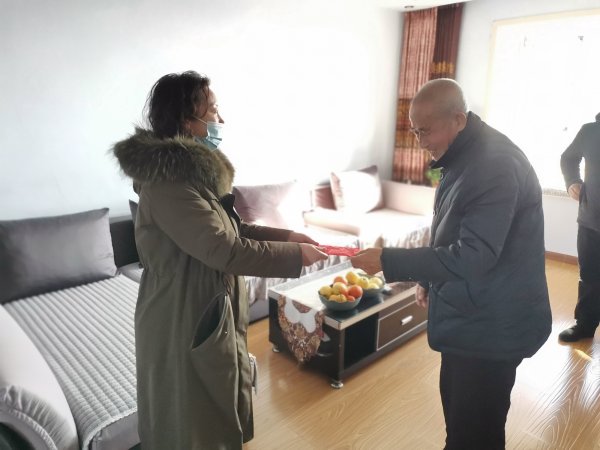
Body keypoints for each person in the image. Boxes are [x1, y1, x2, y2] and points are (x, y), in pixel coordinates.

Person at [112, 70, 327, 449]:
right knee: (189, 418)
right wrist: (295, 256)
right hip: (182, 313)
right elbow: (224, 250)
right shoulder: (169, 185)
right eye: (212, 110)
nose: (220, 119)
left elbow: (234, 230)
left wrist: (288, 236)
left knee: (215, 405)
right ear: (187, 121)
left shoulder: (192, 178)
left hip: (206, 303)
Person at [350, 79, 552, 450]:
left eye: (425, 131)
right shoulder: (461, 155)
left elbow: (474, 255)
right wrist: (427, 279)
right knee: (461, 423)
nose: (419, 141)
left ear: (458, 119)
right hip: (472, 316)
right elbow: (450, 227)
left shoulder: (494, 165)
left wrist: (388, 259)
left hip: (492, 326)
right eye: (414, 131)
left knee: (475, 434)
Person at [558, 112, 600, 342]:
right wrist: (572, 181)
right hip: (590, 220)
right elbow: (568, 158)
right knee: (589, 276)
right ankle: (585, 325)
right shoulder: (590, 131)